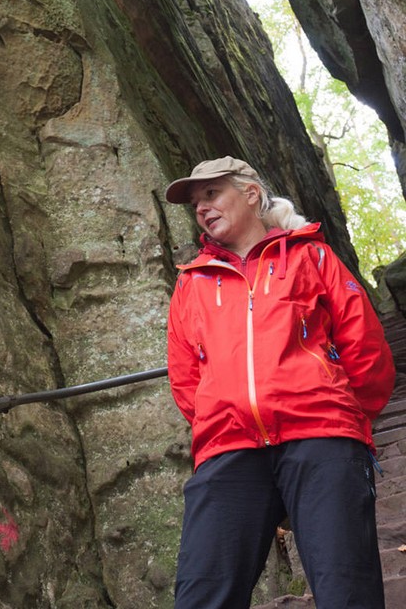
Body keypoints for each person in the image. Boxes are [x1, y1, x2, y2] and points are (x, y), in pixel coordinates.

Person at [164, 156, 395, 608]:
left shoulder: (312, 257)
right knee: (202, 593)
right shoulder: (191, 284)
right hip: (229, 448)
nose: (202, 208)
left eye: (212, 194)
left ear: (250, 193)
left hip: (320, 435)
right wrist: (221, 415)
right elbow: (186, 376)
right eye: (195, 203)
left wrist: (341, 414)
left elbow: (365, 348)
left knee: (346, 589)